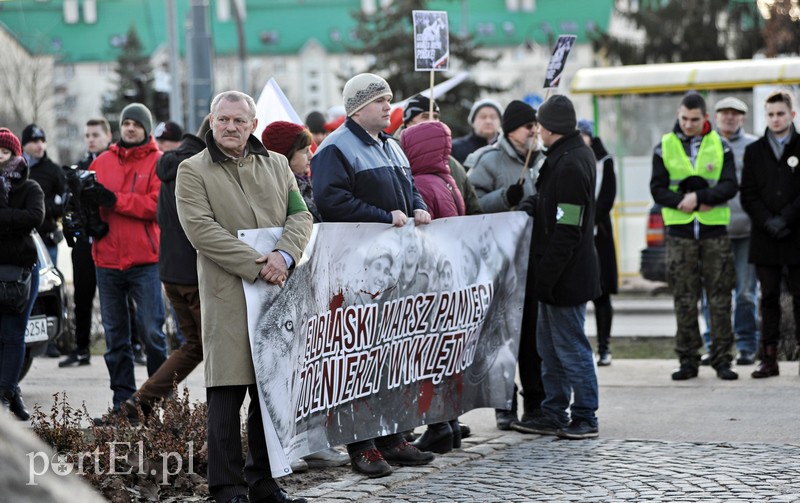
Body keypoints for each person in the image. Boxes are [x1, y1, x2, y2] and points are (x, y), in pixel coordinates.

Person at [176, 90, 311, 503]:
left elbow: (300, 214)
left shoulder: (275, 165)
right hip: (228, 295)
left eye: (239, 120)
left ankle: (264, 481)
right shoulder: (192, 170)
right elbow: (201, 231)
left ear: (253, 124)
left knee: (268, 392)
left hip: (275, 294)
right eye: (223, 120)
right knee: (226, 392)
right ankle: (227, 487)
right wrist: (260, 264)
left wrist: (285, 255)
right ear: (211, 121)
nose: (231, 127)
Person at [312, 72, 435, 478]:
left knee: (391, 355)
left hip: (393, 270)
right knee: (359, 360)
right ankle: (361, 446)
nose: (389, 106)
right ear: (358, 107)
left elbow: (409, 188)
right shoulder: (335, 149)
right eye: (381, 100)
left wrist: (417, 205)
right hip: (356, 271)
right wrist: (384, 217)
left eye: (389, 99)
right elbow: (331, 202)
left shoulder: (393, 145)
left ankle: (392, 437)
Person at [514, 95, 601, 440]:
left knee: (569, 346)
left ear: (548, 129)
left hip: (565, 275)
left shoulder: (570, 163)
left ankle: (585, 414)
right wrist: (535, 203)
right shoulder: (566, 156)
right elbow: (557, 204)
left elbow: (568, 228)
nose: (536, 131)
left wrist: (547, 276)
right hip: (556, 274)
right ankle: (553, 410)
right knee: (548, 346)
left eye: (539, 125)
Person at [466, 99, 545, 431]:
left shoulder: (543, 160)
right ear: (512, 129)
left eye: (536, 126)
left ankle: (538, 405)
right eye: (529, 126)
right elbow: (470, 205)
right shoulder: (487, 161)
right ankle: (505, 405)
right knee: (503, 337)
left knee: (533, 339)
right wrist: (506, 198)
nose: (534, 132)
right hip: (500, 264)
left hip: (535, 260)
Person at [650, 93, 738, 381]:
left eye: (694, 120)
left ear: (705, 118)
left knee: (720, 297)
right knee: (684, 297)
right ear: (679, 114)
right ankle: (688, 360)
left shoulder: (720, 144)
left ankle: (723, 358)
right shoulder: (664, 146)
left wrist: (699, 196)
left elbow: (729, 185)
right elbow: (658, 189)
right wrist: (682, 202)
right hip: (680, 233)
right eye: (684, 118)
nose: (688, 124)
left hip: (714, 232)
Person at [88, 103, 168, 411]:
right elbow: (89, 204)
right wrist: (85, 211)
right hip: (106, 260)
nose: (130, 128)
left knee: (152, 333)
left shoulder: (158, 161)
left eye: (137, 123)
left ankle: (156, 403)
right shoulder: (101, 161)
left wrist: (114, 200)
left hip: (144, 261)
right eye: (126, 123)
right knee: (115, 338)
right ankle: (123, 403)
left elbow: (154, 205)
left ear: (146, 128)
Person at [399, 119, 465, 453]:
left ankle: (439, 425)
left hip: (428, 282)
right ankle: (449, 424)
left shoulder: (422, 183)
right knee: (443, 355)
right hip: (448, 279)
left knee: (428, 355)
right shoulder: (447, 180)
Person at [740, 90, 800, 379]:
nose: (776, 119)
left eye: (781, 113)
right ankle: (769, 358)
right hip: (766, 236)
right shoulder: (754, 151)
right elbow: (748, 194)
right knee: (769, 298)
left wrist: (786, 218)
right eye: (771, 114)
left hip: (796, 233)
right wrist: (768, 221)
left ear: (792, 114)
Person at [699, 97, 760, 366]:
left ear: (742, 118)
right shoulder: (704, 145)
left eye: (735, 114)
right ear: (716, 116)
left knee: (746, 293)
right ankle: (714, 344)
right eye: (724, 113)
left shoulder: (753, 147)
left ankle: (747, 346)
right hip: (714, 230)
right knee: (711, 292)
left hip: (747, 230)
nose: (729, 118)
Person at [59, 118, 113, 368]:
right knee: (82, 294)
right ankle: (81, 349)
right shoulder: (79, 167)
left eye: (95, 134)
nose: (91, 139)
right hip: (84, 241)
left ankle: (132, 346)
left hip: (111, 237)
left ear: (107, 135)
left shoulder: (114, 163)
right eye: (87, 135)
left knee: (117, 296)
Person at [0, 128, 44, 421]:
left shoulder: (30, 188)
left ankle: (3, 395)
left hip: (22, 273)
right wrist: (15, 222)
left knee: (15, 335)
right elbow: (24, 220)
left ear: (16, 154)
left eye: (4, 152)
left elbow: (35, 218)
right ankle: (13, 392)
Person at [578, 119, 619, 366]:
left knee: (602, 295)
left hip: (599, 234)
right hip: (577, 234)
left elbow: (608, 197)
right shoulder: (569, 157)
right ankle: (582, 348)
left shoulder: (605, 161)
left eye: (583, 134)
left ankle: (604, 347)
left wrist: (591, 219)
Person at [401, 94, 481, 215]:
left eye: (436, 116)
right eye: (425, 116)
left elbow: (474, 211)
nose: (432, 121)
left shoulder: (453, 164)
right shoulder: (393, 155)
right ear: (408, 122)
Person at [20, 123, 66, 268]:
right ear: (24, 144)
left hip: (47, 240)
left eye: (42, 141)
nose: (39, 145)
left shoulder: (53, 170)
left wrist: (48, 210)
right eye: (34, 141)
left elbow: (67, 198)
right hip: (19, 241)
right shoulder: (15, 167)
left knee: (48, 288)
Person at [261, 121, 322, 223]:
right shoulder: (278, 192)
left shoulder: (309, 183)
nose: (311, 155)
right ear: (286, 155)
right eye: (305, 151)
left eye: (310, 149)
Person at [451, 99, 502, 164]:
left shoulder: (508, 149)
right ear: (473, 121)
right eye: (483, 117)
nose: (488, 121)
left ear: (500, 122)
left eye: (493, 117)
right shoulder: (455, 148)